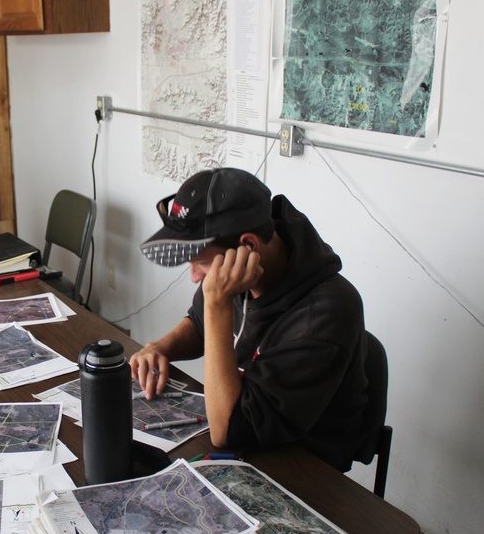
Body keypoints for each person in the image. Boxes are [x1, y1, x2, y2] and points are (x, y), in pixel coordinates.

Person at [131, 168, 368, 471]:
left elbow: (228, 431)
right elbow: (200, 324)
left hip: (302, 469)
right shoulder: (240, 268)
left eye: (199, 262)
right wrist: (161, 347)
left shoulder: (325, 313)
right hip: (243, 442)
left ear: (249, 247)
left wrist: (218, 302)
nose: (193, 277)